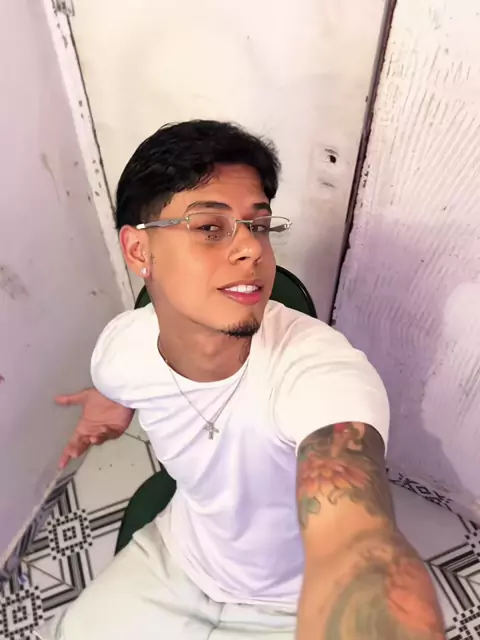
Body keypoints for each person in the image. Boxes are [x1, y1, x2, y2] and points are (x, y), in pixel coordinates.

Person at [37, 120, 445, 640]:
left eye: (259, 225)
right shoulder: (120, 350)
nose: (251, 248)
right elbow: (117, 382)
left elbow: (356, 537)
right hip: (178, 561)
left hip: (292, 603)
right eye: (210, 227)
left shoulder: (319, 370)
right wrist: (109, 404)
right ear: (140, 251)